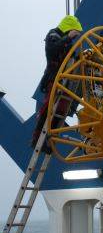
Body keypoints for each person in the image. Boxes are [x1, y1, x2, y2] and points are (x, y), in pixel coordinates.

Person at [30, 15, 82, 149]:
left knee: (61, 109)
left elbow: (71, 56)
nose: (75, 37)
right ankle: (37, 140)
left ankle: (48, 141)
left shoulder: (66, 41)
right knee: (48, 108)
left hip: (64, 80)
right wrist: (68, 37)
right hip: (53, 78)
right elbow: (53, 50)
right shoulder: (53, 36)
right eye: (74, 33)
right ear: (68, 29)